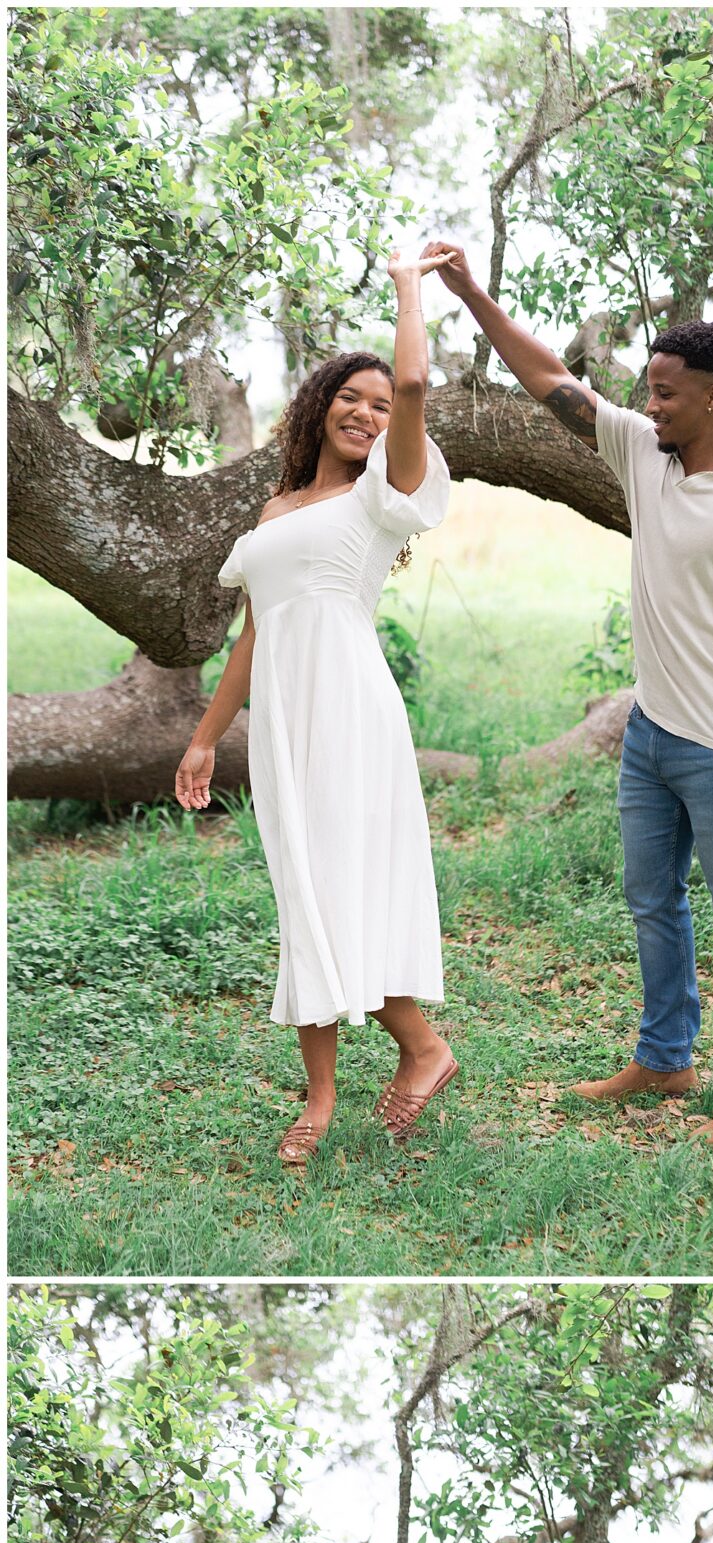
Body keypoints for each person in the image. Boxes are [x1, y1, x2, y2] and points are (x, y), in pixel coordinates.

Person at [426, 242, 713, 1146]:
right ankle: (666, 1057)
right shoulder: (644, 452)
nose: (649, 405)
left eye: (665, 391)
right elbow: (548, 379)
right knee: (650, 898)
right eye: (646, 390)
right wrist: (469, 292)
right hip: (649, 734)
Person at [175, 252, 457, 1167]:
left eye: (380, 406)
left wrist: (410, 284)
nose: (368, 412)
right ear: (319, 403)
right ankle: (325, 1093)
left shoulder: (386, 495)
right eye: (351, 397)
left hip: (351, 713)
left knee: (345, 887)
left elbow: (413, 379)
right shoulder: (275, 509)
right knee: (304, 895)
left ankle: (421, 1049)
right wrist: (206, 738)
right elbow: (254, 637)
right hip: (284, 725)